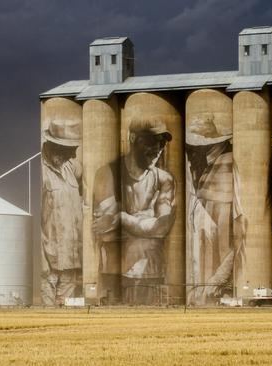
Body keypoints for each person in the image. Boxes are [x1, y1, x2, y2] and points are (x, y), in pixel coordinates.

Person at [92, 119, 176, 305]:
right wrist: (145, 220)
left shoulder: (164, 179)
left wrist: (122, 218)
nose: (158, 148)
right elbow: (106, 230)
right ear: (132, 138)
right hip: (114, 272)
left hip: (151, 270)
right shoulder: (108, 174)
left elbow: (162, 227)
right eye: (151, 142)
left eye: (162, 143)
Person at [185, 114, 246, 305]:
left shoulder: (229, 164)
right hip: (202, 278)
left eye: (194, 145)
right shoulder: (199, 167)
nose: (188, 151)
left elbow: (242, 232)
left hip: (219, 280)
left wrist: (218, 279)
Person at [40, 118, 83, 306]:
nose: (72, 155)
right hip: (48, 263)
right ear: (54, 145)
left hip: (70, 261)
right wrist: (40, 260)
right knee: (47, 314)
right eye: (69, 149)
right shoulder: (41, 172)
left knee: (65, 312)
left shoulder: (70, 169)